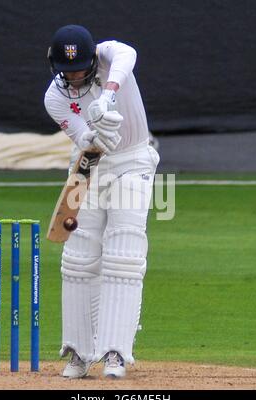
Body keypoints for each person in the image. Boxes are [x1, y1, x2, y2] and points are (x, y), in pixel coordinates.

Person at [44, 24, 160, 379]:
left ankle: (115, 352)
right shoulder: (54, 97)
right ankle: (79, 353)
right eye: (67, 72)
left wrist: (108, 95)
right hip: (87, 166)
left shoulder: (111, 54)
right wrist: (96, 131)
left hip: (135, 160)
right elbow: (84, 140)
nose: (74, 77)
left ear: (93, 59)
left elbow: (129, 54)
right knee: (78, 258)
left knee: (123, 254)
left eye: (80, 69)